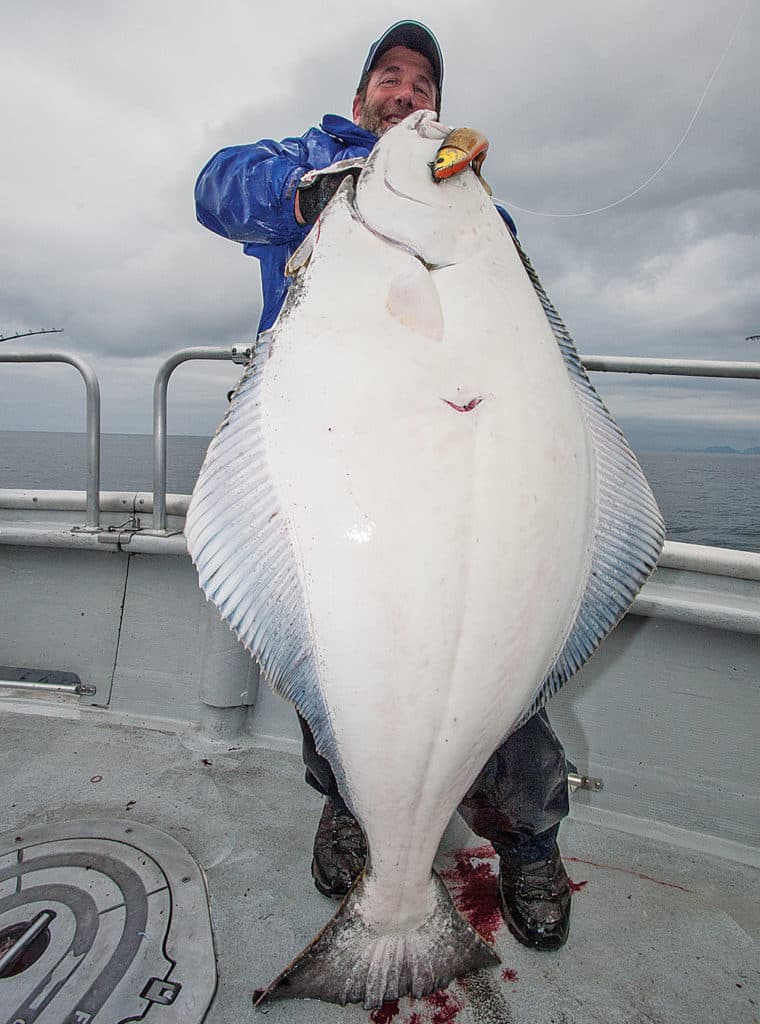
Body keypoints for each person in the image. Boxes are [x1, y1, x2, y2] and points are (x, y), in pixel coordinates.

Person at [195, 19, 572, 952]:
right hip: (339, 465)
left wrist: (457, 193)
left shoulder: (463, 191)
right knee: (338, 670)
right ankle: (357, 815)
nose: (406, 95)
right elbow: (216, 188)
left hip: (458, 475)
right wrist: (305, 192)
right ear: (362, 91)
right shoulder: (306, 163)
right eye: (390, 77)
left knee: (501, 668)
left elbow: (502, 299)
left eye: (423, 85)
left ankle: (529, 842)